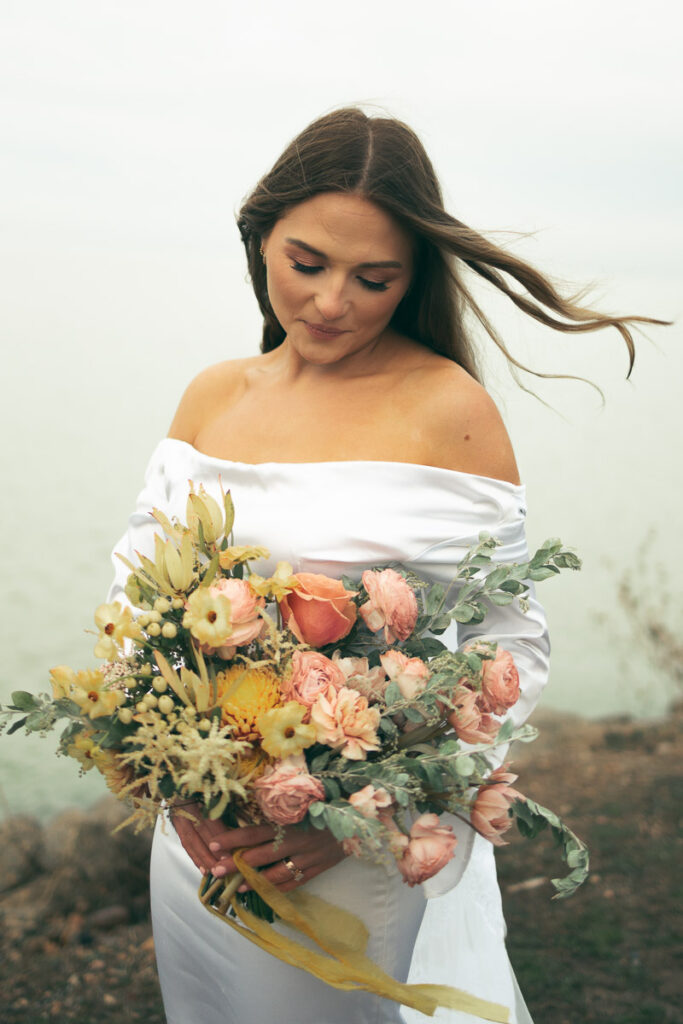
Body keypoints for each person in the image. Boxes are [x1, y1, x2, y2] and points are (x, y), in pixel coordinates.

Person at [107, 108, 659, 1023]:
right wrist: (166, 781)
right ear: (260, 238)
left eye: (374, 278)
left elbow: (508, 644)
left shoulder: (447, 408)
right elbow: (134, 598)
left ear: (412, 279)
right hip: (194, 838)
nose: (330, 302)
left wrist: (372, 816)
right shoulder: (210, 396)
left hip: (344, 858)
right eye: (306, 263)